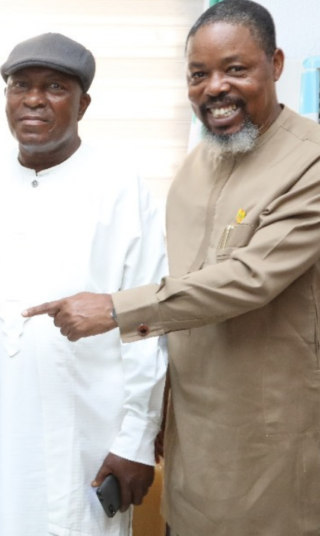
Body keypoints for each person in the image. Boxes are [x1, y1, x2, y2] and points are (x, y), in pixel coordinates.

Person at [23, 2, 320, 535]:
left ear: (275, 65)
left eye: (235, 69)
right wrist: (151, 414)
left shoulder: (311, 161)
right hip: (191, 438)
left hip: (273, 439)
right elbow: (179, 291)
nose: (214, 88)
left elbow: (249, 279)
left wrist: (115, 308)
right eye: (198, 74)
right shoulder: (196, 166)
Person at [0, 32, 168, 536]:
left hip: (85, 435)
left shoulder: (123, 189)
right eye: (21, 86)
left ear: (84, 104)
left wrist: (136, 440)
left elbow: (149, 323)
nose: (34, 99)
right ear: (6, 99)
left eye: (55, 87)